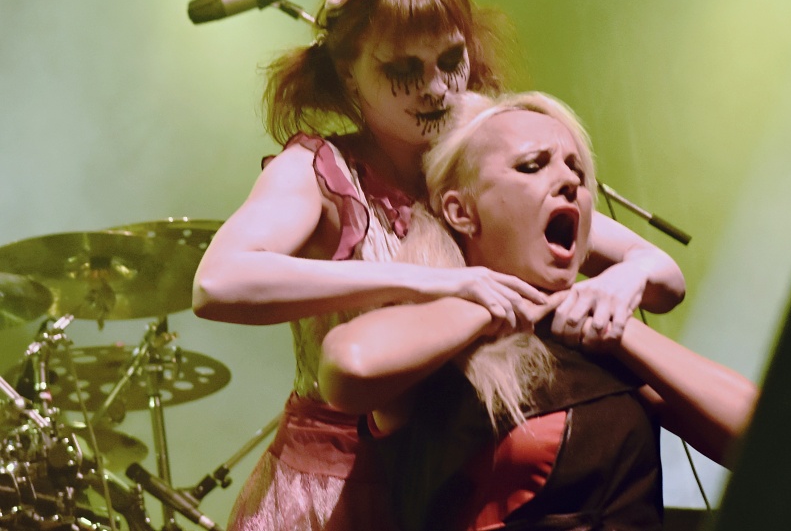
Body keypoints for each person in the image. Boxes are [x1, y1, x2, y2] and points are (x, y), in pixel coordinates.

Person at [192, 0, 686, 531]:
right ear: (348, 74)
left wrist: (623, 280)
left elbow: (663, 277)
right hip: (340, 485)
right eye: (402, 69)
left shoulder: (474, 170)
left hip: (455, 473)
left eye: (451, 61)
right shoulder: (319, 169)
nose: (435, 88)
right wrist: (435, 283)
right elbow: (219, 283)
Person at [318, 91, 758, 530]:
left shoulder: (594, 341)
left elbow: (765, 438)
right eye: (532, 166)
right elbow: (348, 366)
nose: (569, 182)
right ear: (461, 211)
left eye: (577, 172)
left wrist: (617, 324)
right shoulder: (436, 345)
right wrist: (494, 305)